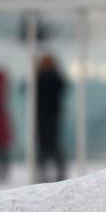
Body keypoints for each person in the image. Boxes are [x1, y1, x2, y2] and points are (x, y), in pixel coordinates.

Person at [35, 54, 67, 183]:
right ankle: (51, 171)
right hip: (49, 114)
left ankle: (51, 171)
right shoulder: (53, 76)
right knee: (49, 144)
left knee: (49, 144)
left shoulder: (44, 77)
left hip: (47, 114)